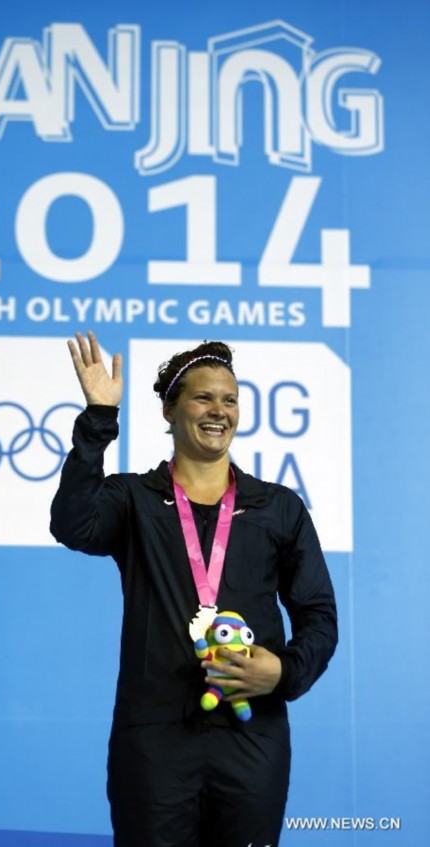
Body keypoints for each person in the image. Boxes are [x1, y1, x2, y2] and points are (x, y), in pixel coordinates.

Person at [50, 330, 338, 847]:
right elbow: (73, 525)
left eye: (230, 400)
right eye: (204, 396)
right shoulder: (135, 498)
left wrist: (283, 672)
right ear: (169, 410)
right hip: (156, 738)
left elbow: (319, 615)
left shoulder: (279, 507)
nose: (219, 410)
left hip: (253, 735)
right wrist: (97, 419)